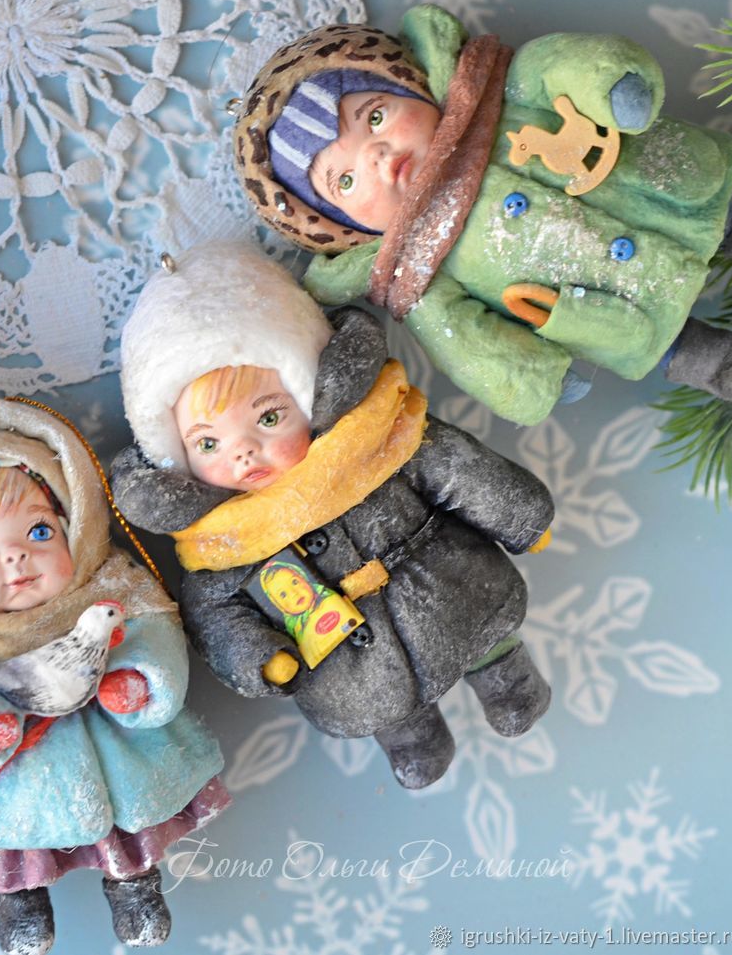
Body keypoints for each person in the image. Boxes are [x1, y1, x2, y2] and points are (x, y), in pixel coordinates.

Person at [111, 242, 555, 789]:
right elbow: (216, 615)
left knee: (487, 635)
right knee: (382, 706)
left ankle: (510, 682)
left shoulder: (375, 440)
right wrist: (260, 657)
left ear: (310, 395)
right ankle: (414, 740)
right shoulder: (220, 545)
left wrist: (521, 516)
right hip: (348, 663)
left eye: (268, 418)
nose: (243, 452)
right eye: (208, 444)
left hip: (453, 588)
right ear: (179, 460)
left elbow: (454, 469)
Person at [235, 4, 732, 425]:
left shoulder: (493, 90)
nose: (376, 156)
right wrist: (528, 374)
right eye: (345, 181)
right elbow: (466, 342)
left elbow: (559, 67)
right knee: (662, 339)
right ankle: (724, 363)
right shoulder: (417, 279)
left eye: (374, 117)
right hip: (612, 305)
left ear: (406, 83)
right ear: (342, 227)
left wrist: (608, 84)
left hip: (668, 194)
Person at [0, 397, 227, 954]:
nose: (15, 557)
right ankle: (19, 907)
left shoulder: (111, 588)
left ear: (75, 527)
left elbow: (155, 631)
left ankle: (134, 886)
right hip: (7, 771)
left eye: (39, 532)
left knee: (126, 823)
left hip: (112, 758)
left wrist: (140, 681)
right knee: (5, 839)